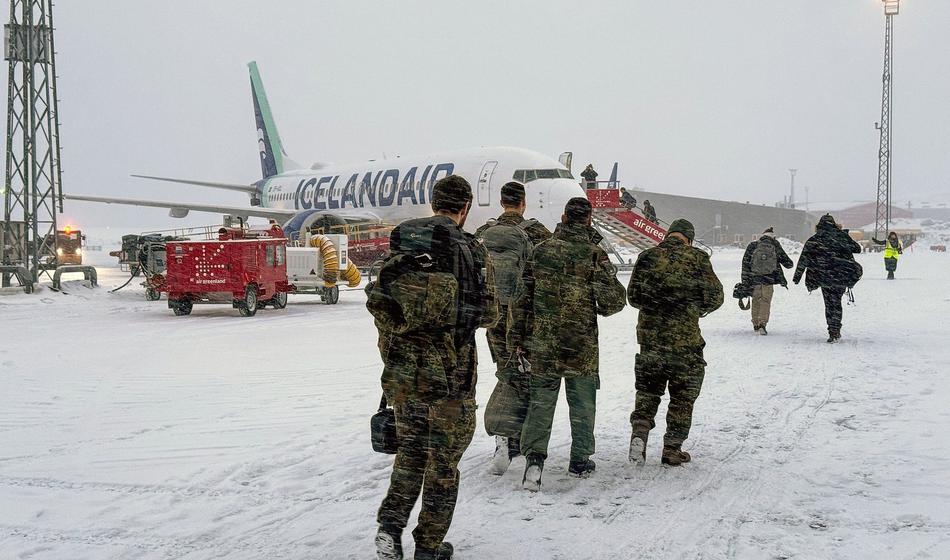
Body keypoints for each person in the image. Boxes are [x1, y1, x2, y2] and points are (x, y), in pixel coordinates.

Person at [367, 175, 498, 560]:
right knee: (443, 465)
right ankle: (428, 546)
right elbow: (489, 314)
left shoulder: (404, 243)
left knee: (410, 454)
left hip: (406, 372)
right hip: (452, 376)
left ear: (432, 202)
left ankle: (389, 528)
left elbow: (386, 309)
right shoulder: (472, 250)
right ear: (466, 207)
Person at [508, 197, 626, 491]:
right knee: (583, 403)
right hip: (581, 345)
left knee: (540, 403)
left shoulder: (541, 251)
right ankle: (580, 460)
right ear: (588, 220)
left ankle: (534, 462)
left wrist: (518, 339)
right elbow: (613, 302)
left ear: (563, 217)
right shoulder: (594, 254)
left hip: (543, 343)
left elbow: (521, 300)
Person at [627, 219, 723, 466]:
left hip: (651, 341)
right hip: (685, 342)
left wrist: (655, 304)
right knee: (682, 396)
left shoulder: (647, 257)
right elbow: (715, 297)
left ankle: (640, 432)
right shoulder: (698, 258)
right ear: (689, 239)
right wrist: (694, 307)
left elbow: (633, 297)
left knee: (648, 391)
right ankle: (672, 448)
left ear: (668, 235)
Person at [475, 181, 552, 475]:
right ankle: (519, 438)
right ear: (523, 202)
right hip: (524, 318)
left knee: (505, 371)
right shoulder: (536, 233)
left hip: (494, 317)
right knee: (527, 375)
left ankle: (504, 439)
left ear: (501, 202)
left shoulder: (484, 233)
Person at [792, 214, 862, 343]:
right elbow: (857, 249)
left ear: (819, 225)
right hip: (841, 275)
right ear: (834, 224)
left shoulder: (815, 239)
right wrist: (844, 237)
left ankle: (832, 331)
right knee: (837, 302)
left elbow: (804, 258)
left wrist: (797, 276)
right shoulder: (841, 236)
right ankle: (836, 328)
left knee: (829, 304)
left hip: (823, 277)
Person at [740, 227, 794, 335]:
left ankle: (755, 323)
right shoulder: (775, 246)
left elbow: (745, 263)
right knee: (765, 301)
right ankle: (762, 324)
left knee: (756, 300)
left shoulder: (753, 245)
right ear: (773, 237)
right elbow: (789, 264)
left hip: (755, 278)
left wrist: (745, 280)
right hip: (769, 279)